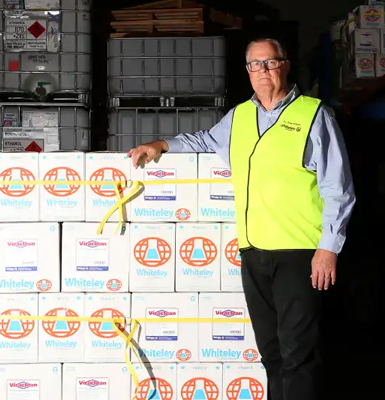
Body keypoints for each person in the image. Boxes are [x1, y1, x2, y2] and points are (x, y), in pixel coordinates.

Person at [127, 38, 356, 400]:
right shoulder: (239, 116)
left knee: (299, 354)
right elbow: (203, 140)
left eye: (270, 63)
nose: (263, 71)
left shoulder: (314, 115)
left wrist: (328, 248)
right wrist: (160, 145)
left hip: (300, 253)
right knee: (272, 354)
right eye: (255, 65)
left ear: (285, 64)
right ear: (247, 72)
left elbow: (338, 188)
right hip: (253, 253)